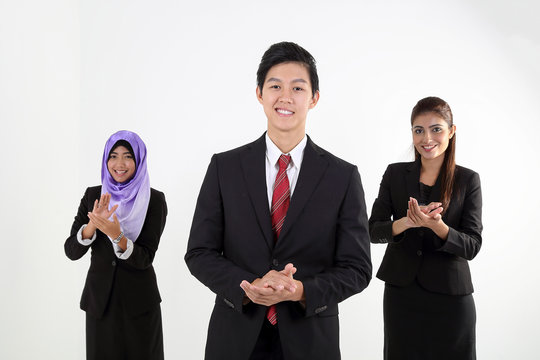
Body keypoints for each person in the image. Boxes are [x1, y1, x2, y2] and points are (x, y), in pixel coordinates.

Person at [185, 42, 372, 360]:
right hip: (235, 338)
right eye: (275, 86)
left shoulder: (343, 176)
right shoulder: (224, 168)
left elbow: (357, 268)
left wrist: (300, 290)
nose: (285, 97)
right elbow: (199, 252)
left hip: (311, 340)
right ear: (259, 93)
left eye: (297, 87)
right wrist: (249, 285)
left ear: (313, 98)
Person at [369, 96, 482, 359]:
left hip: (451, 297)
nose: (426, 138)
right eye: (418, 130)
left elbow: (472, 245)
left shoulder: (468, 180)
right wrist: (405, 223)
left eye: (436, 129)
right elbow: (373, 230)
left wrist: (439, 227)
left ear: (451, 131)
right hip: (402, 295)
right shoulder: (395, 174)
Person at [64, 130, 167, 360]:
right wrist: (92, 224)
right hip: (100, 304)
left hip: (139, 304)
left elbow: (144, 258)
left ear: (138, 160)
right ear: (105, 160)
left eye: (128, 156)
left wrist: (117, 235)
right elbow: (71, 251)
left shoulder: (154, 200)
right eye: (113, 156)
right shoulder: (94, 195)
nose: (119, 163)